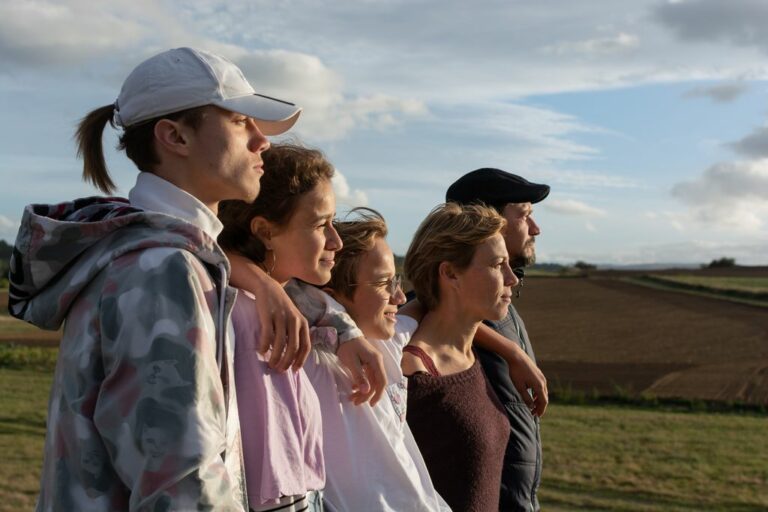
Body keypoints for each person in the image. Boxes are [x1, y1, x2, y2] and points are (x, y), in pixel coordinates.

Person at [7, 47, 302, 511]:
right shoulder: (161, 268)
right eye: (240, 121)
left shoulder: (143, 252)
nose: (262, 141)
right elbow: (183, 484)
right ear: (175, 136)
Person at [312, 208, 451, 511]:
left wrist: (515, 353)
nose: (399, 297)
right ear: (332, 296)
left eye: (396, 281)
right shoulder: (310, 361)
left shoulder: (385, 341)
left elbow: (437, 307)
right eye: (382, 284)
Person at [401, 202, 518, 512]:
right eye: (497, 265)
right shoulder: (412, 374)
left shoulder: (469, 354)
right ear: (450, 273)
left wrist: (515, 354)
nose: (512, 278)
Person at [446, 167, 550, 511]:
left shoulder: (500, 299)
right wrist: (514, 354)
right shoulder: (456, 299)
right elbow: (429, 304)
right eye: (524, 216)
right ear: (489, 222)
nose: (536, 228)